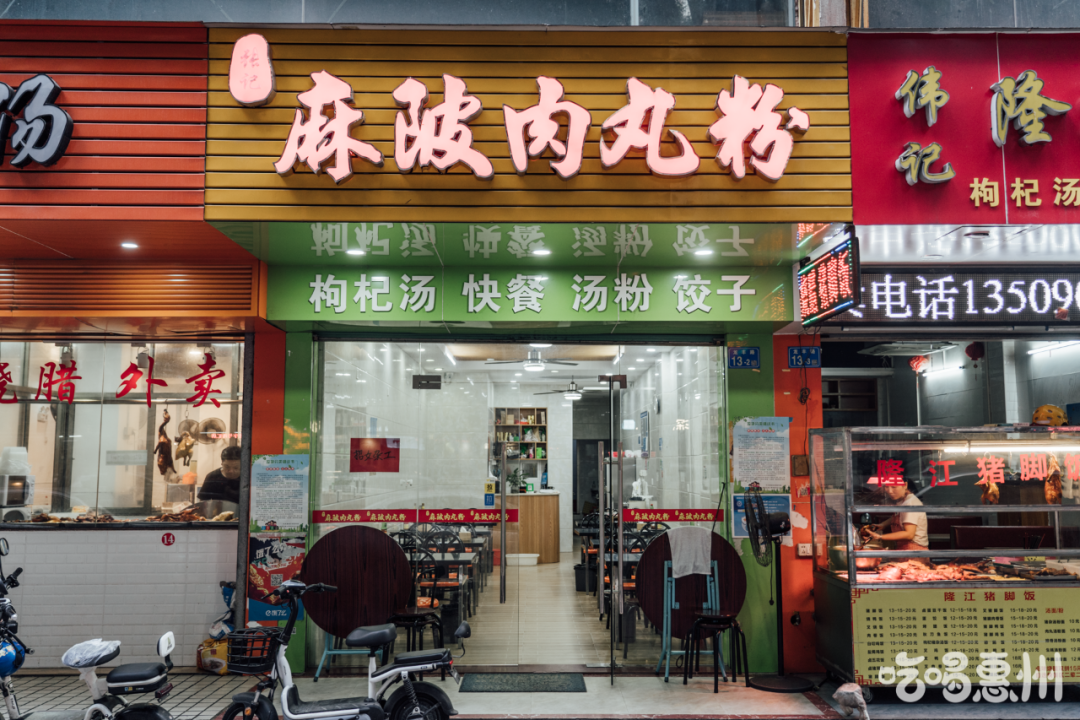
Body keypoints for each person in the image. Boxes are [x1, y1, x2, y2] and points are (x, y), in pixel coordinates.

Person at [862, 481, 929, 552]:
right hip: (904, 548)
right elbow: (900, 515)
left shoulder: (910, 503)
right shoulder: (902, 500)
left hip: (914, 551)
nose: (889, 491)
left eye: (894, 487)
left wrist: (880, 537)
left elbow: (909, 534)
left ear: (905, 485)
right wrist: (883, 524)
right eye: (886, 487)